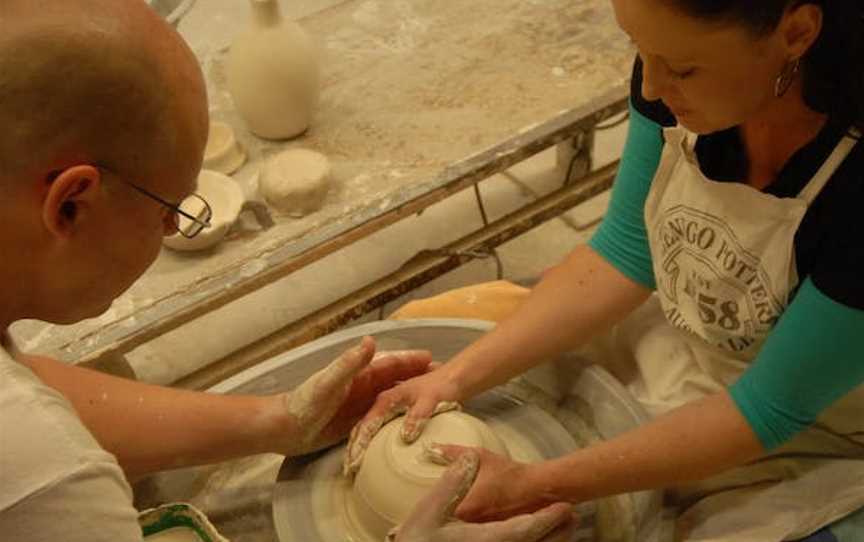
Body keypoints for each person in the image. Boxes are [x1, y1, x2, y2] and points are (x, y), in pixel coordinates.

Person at [0, 1, 577, 540]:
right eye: (169, 212)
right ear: (72, 202)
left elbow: (36, 389)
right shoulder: (43, 466)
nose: (171, 231)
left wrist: (275, 422)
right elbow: (42, 448)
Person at [347, 0, 864, 540]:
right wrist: (452, 380)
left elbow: (768, 408)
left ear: (797, 32)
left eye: (682, 68)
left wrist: (537, 482)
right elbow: (624, 252)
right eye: (639, 50)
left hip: (810, 422)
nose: (651, 88)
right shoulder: (676, 80)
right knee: (442, 351)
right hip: (692, 333)